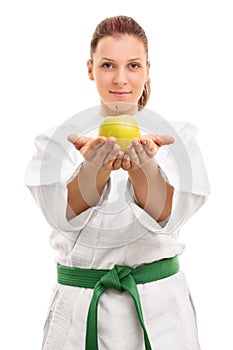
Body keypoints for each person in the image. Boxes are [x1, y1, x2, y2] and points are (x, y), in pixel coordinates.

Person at [25, 15, 210, 350]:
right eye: (108, 64)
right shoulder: (56, 141)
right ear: (90, 68)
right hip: (80, 314)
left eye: (134, 65)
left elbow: (169, 216)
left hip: (162, 315)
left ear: (148, 69)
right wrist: (93, 172)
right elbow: (59, 215)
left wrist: (145, 169)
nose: (121, 79)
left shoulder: (178, 138)